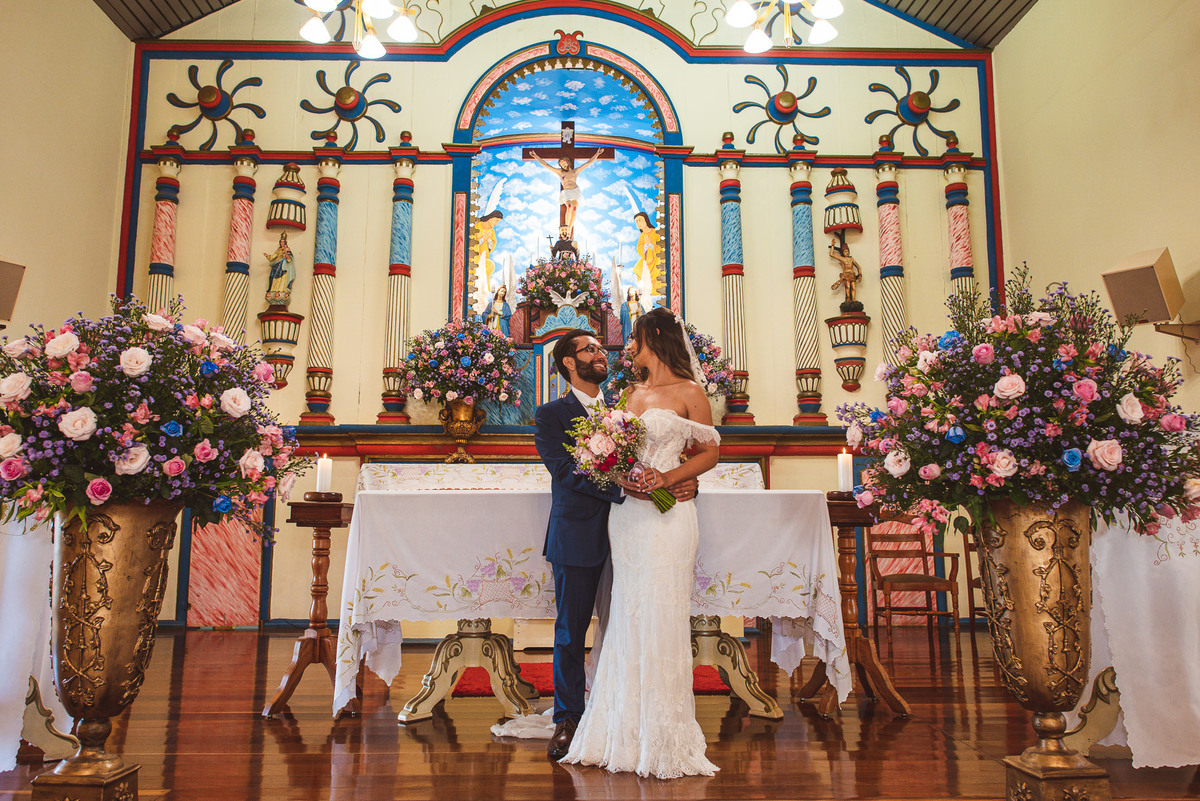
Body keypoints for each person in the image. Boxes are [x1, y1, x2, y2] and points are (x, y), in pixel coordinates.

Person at [562, 306, 721, 779]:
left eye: (634, 339)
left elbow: (711, 450)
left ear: (653, 336)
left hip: (669, 519)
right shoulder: (631, 395)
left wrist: (670, 478)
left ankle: (664, 731)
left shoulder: (691, 392)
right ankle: (621, 729)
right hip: (628, 516)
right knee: (628, 608)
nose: (628, 348)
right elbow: (619, 452)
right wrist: (626, 474)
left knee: (661, 609)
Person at [533, 329, 697, 764]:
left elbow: (664, 455)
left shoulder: (626, 404)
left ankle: (624, 713)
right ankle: (568, 718)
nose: (599, 353)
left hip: (636, 533)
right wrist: (623, 489)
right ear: (569, 362)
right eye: (589, 349)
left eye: (599, 348)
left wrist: (682, 479)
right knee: (571, 631)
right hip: (581, 534)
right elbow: (565, 471)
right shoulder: (551, 414)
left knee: (628, 625)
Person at [532, 150, 603, 232]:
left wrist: (597, 153)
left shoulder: (575, 171)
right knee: (569, 206)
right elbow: (546, 165)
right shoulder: (560, 172)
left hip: (575, 191)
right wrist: (536, 156)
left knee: (574, 208)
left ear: (568, 162)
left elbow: (588, 163)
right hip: (567, 192)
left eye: (563, 162)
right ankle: (566, 228)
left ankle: (570, 230)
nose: (562, 165)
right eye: (561, 164)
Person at [264, 232, 295, 307]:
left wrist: (286, 255)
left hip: (283, 266)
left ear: (285, 242)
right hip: (277, 265)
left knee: (282, 279)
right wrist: (268, 256)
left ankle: (281, 291)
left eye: (283, 242)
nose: (281, 243)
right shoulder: (278, 250)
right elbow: (273, 257)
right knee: (273, 277)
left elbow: (290, 259)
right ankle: (274, 291)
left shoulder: (287, 249)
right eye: (280, 242)